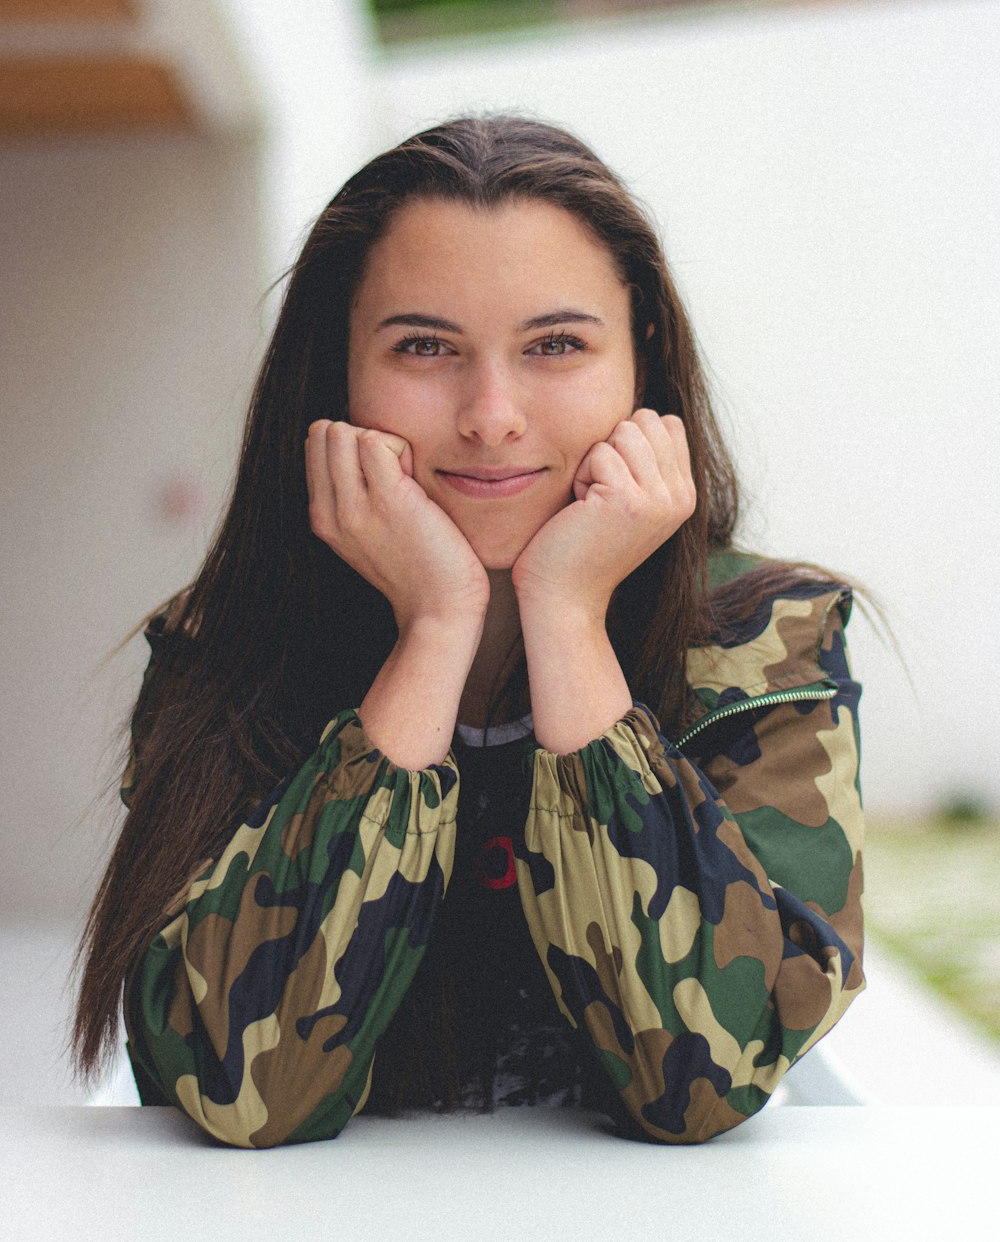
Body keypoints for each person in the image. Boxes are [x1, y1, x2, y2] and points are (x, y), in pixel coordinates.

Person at [73, 115, 864, 1149]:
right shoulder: (223, 649)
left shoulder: (769, 637)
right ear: (337, 370)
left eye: (555, 345)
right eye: (424, 346)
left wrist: (569, 618)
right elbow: (239, 1088)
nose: (491, 413)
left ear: (643, 361)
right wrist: (435, 627)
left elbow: (703, 1082)